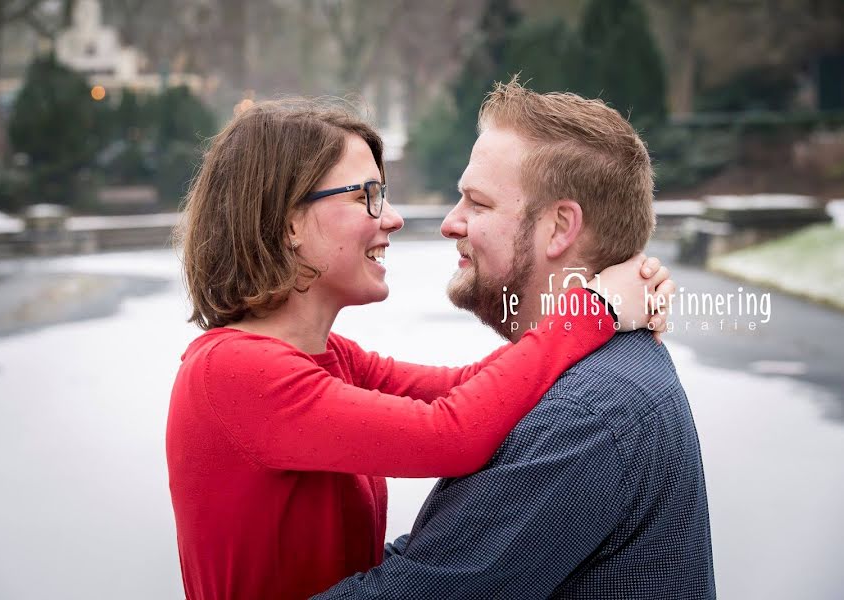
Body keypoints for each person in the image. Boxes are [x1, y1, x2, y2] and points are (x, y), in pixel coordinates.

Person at [166, 97, 673, 600]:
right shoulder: (233, 371)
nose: (392, 219)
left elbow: (470, 387)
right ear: (288, 222)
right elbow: (450, 434)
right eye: (366, 196)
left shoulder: (333, 359)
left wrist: (608, 303)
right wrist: (595, 310)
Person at [317, 80, 715, 599]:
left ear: (560, 227)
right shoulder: (591, 375)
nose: (449, 223)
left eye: (476, 203)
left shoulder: (586, 413)